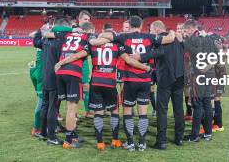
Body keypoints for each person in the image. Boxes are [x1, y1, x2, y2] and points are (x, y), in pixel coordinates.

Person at [55, 22, 152, 151]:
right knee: (114, 111)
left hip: (95, 82)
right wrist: (145, 67)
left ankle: (100, 142)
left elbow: (78, 55)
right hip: (110, 82)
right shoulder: (117, 45)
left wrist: (62, 62)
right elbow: (129, 60)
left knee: (98, 113)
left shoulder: (93, 46)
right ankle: (115, 140)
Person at [95, 16, 176, 151]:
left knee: (128, 112)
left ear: (130, 25)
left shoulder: (123, 36)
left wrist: (105, 35)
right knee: (143, 113)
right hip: (145, 80)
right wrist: (172, 31)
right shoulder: (150, 37)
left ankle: (130, 142)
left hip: (129, 80)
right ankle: (142, 143)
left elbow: (105, 35)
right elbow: (170, 39)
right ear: (141, 25)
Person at [135, 20, 186, 149]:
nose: (151, 33)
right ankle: (179, 138)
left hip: (166, 78)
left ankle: (161, 141)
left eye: (151, 30)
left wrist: (139, 56)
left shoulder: (161, 40)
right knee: (178, 109)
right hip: (180, 76)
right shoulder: (177, 39)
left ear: (157, 30)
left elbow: (158, 53)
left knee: (162, 110)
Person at [44, 20, 91, 149]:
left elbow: (47, 34)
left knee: (66, 106)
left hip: (60, 74)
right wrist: (63, 61)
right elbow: (80, 54)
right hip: (72, 72)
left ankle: (71, 134)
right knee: (71, 108)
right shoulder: (88, 38)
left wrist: (71, 31)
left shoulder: (66, 35)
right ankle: (69, 140)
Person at [33, 18, 72, 146]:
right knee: (53, 107)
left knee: (45, 105)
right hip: (56, 77)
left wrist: (40, 31)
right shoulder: (63, 39)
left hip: (45, 77)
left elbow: (35, 42)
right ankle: (51, 137)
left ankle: (43, 133)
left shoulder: (46, 39)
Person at [182, 20, 217, 142]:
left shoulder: (194, 38)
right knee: (207, 104)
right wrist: (208, 67)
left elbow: (198, 52)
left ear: (191, 29)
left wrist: (184, 42)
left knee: (197, 106)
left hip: (198, 75)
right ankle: (208, 133)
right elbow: (217, 55)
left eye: (185, 30)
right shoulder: (208, 38)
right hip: (210, 74)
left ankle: (195, 135)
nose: (184, 33)